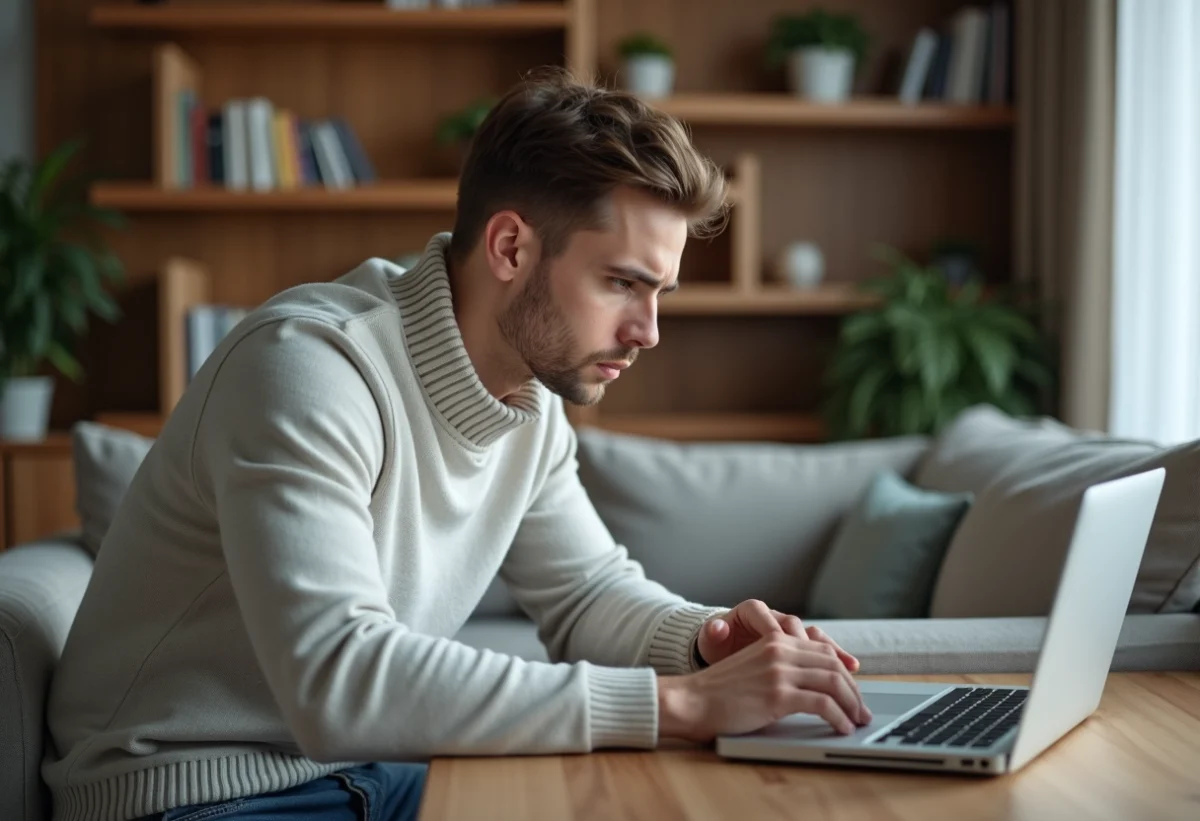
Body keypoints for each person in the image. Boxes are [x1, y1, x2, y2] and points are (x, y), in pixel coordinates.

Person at [43, 68, 871, 821]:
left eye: (661, 293)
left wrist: (705, 640)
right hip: (187, 793)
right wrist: (681, 704)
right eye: (622, 282)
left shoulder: (528, 401)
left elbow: (585, 593)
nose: (648, 331)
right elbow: (339, 680)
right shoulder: (307, 368)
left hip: (351, 775)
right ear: (510, 247)